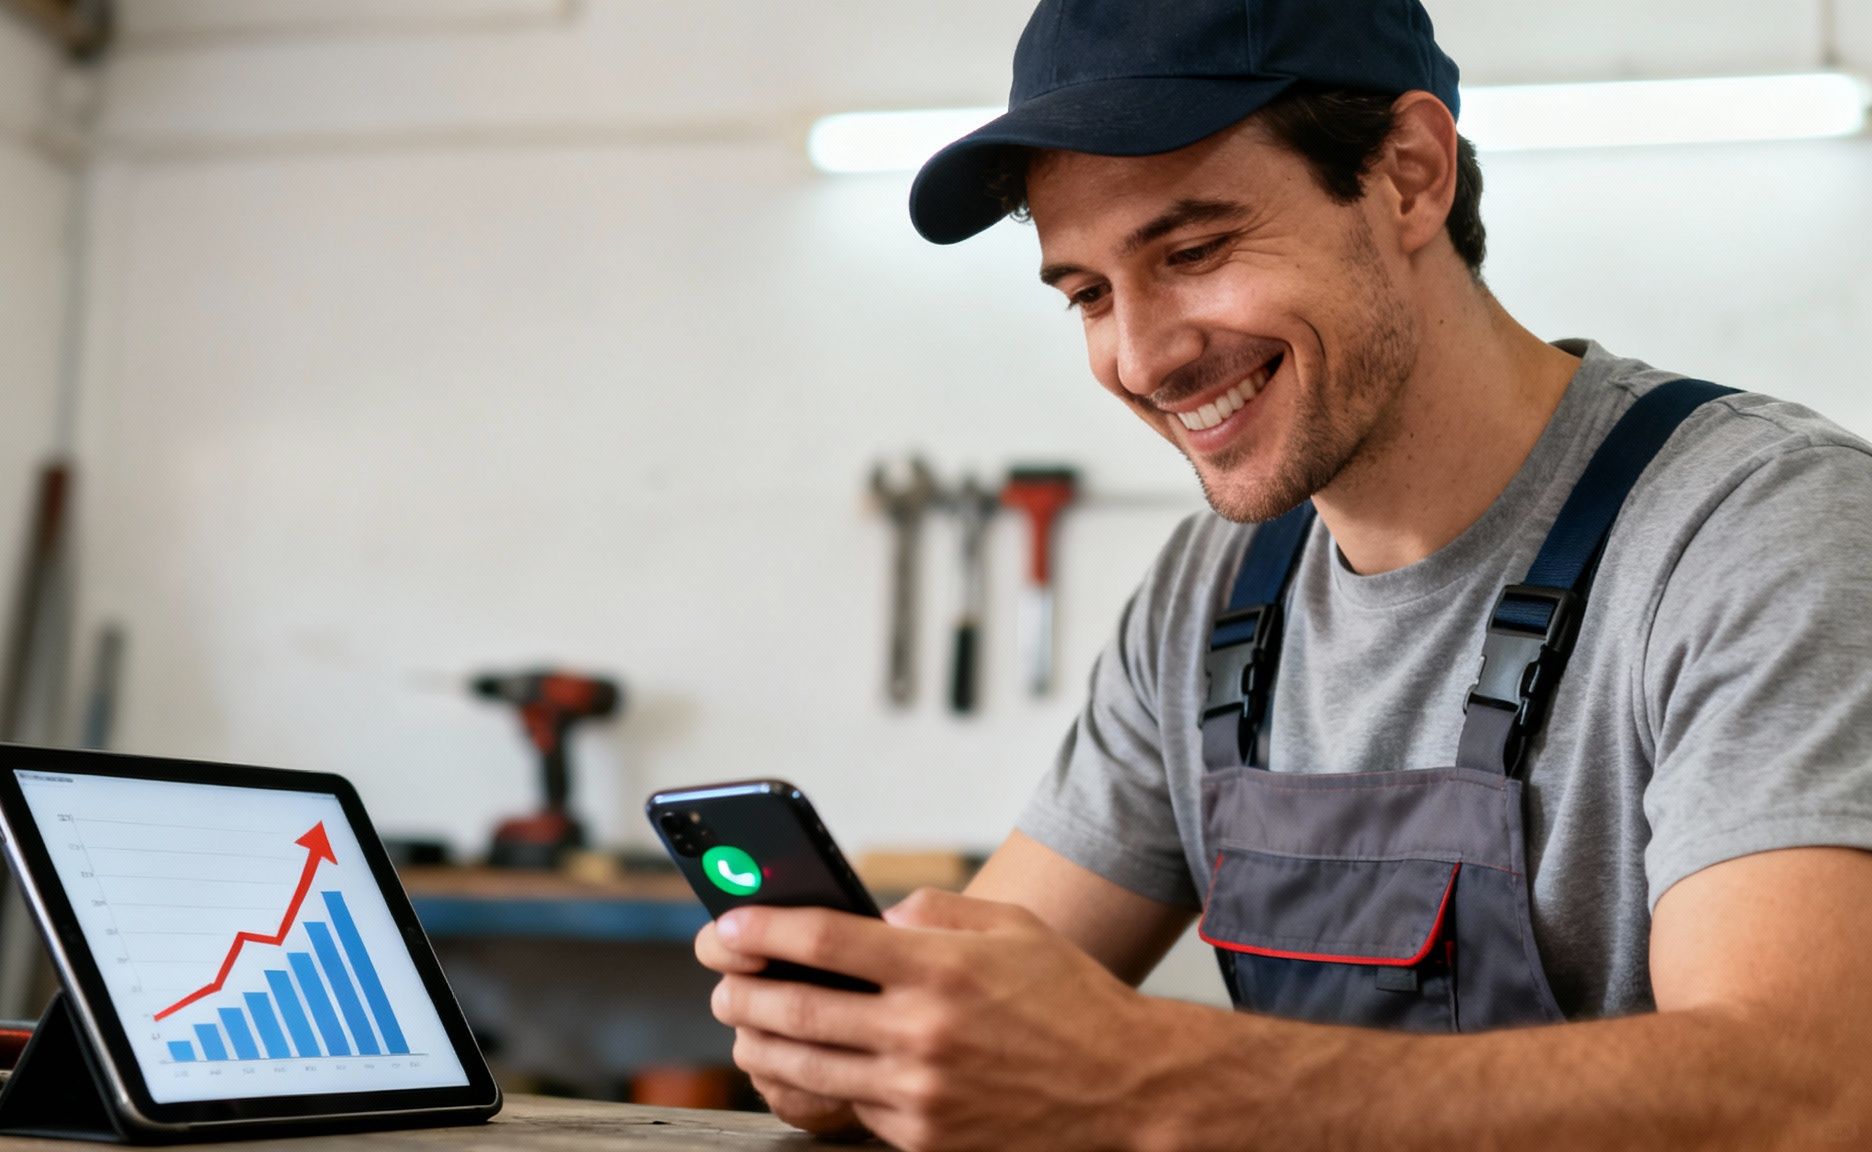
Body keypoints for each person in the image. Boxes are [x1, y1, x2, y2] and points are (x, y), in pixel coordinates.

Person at [696, 1, 1872, 1147]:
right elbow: (958, 1003)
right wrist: (846, 1036)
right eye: (1089, 294)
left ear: (1408, 174)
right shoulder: (1215, 592)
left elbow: (1805, 1091)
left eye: (1195, 250)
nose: (1141, 357)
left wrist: (1153, 1083)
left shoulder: (1756, 530)